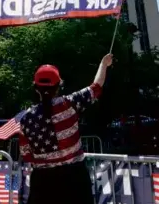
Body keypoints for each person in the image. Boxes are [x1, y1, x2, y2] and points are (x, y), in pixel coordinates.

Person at [19, 53, 113, 204]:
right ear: (58, 86)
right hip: (74, 180)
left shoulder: (25, 119)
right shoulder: (70, 104)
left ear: (36, 88)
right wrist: (103, 64)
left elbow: (26, 155)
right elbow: (96, 87)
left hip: (42, 184)